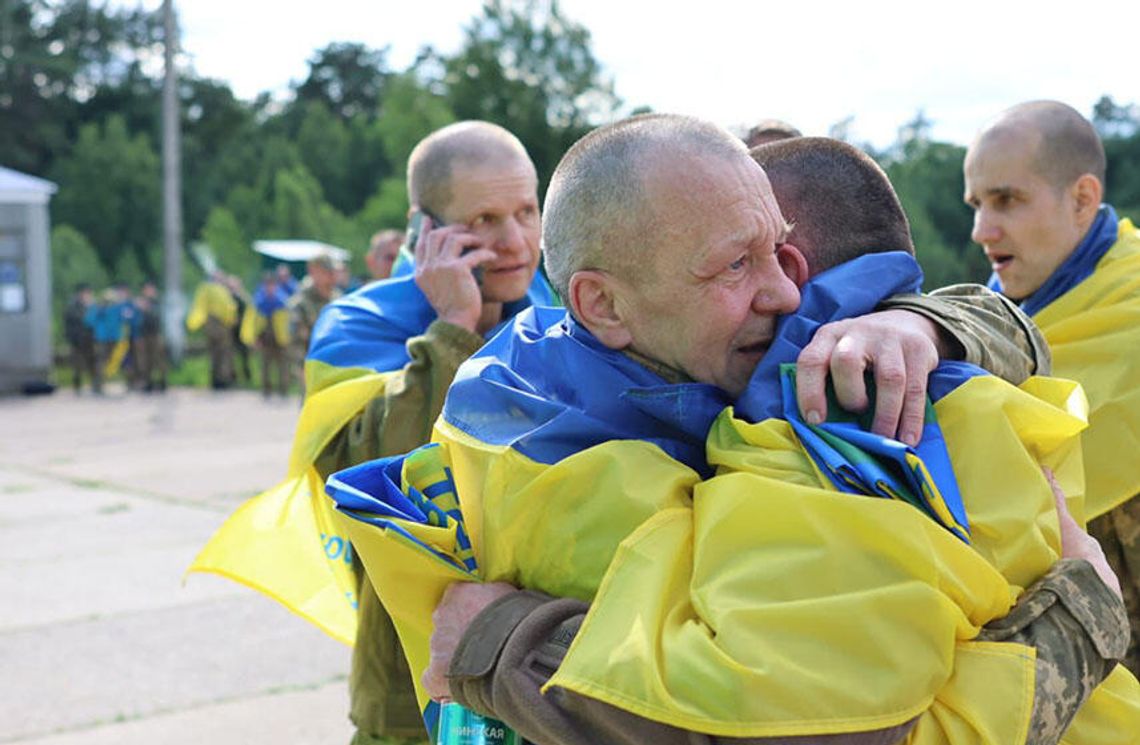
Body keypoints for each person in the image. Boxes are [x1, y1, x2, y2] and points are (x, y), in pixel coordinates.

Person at [401, 120, 1132, 743]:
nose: (786, 297)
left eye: (783, 255)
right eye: (734, 263)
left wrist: (928, 322)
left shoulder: (720, 392)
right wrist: (1084, 612)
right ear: (602, 302)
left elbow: (1014, 328)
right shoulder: (587, 462)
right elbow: (784, 717)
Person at [188, 121, 556, 744]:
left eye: (527, 211)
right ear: (425, 229)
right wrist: (453, 330)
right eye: (486, 219)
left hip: (546, 665)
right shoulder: (360, 323)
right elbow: (374, 466)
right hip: (412, 690)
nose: (516, 239)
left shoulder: (560, 312)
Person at [964, 100, 1140, 676]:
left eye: (1007, 200)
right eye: (977, 204)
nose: (981, 231)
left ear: (1083, 199)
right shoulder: (976, 328)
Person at [287, 253, 342, 394]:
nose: (331, 275)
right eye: (326, 271)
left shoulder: (340, 299)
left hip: (339, 370)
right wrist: (303, 373)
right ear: (313, 271)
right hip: (312, 373)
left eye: (333, 271)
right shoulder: (300, 304)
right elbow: (296, 343)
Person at [186, 270, 239, 390]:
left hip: (209, 325)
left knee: (213, 355)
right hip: (222, 325)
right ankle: (223, 380)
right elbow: (230, 308)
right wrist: (232, 321)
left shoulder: (205, 289)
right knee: (224, 354)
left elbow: (199, 306)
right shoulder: (221, 291)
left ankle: (215, 380)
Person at [242, 272, 291, 397]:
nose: (270, 288)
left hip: (280, 338)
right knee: (265, 366)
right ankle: (266, 390)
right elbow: (253, 322)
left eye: (272, 285)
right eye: (267, 285)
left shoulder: (283, 301)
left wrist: (288, 337)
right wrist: (253, 338)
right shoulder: (259, 302)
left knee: (283, 366)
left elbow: (288, 322)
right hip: (265, 339)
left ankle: (283, 390)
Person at [133, 281, 168, 392]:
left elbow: (159, 316)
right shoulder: (139, 303)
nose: (150, 292)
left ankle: (162, 381)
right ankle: (147, 382)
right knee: (144, 360)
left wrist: (147, 309)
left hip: (155, 334)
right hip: (143, 335)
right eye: (147, 289)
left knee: (158, 359)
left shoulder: (157, 303)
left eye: (151, 289)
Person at [64, 283, 98, 393]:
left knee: (92, 362)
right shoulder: (73, 305)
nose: (87, 295)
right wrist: (88, 308)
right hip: (77, 339)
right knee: (77, 364)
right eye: (85, 293)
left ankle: (95, 385)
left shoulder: (92, 305)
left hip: (89, 338)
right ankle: (77, 385)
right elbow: (77, 318)